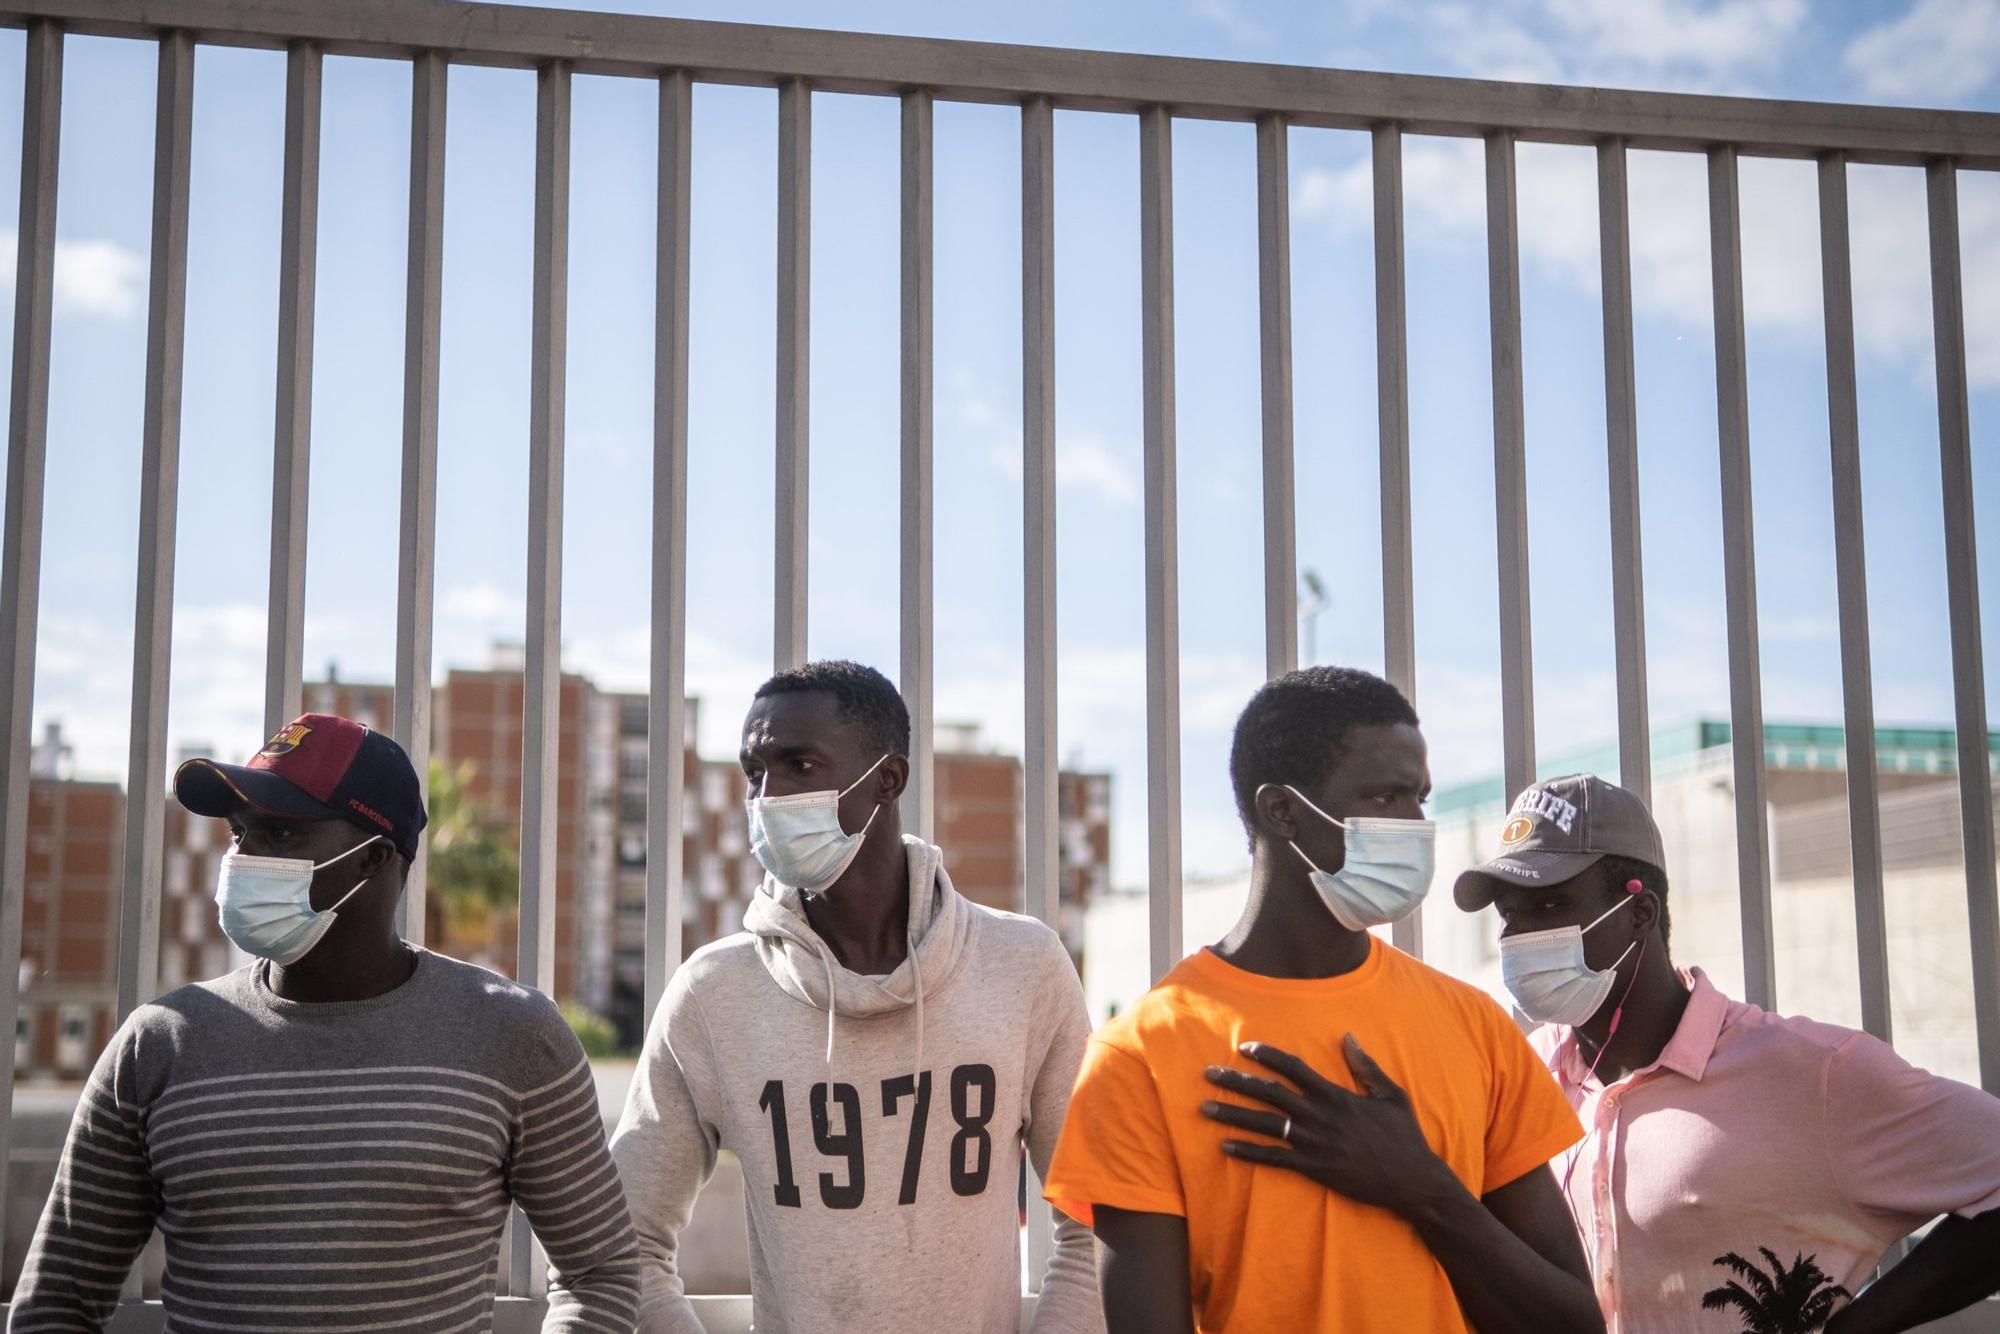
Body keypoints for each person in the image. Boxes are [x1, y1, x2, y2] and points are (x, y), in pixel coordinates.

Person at [9, 712, 641, 1333]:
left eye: (281, 835)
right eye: (238, 833)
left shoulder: (510, 1033)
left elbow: (600, 1272)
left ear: (376, 858)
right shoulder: (161, 1041)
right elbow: (59, 1298)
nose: (243, 858)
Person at [1043, 666, 1602, 1333]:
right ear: (1283, 810)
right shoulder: (1140, 1057)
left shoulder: (1474, 1025)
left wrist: (1423, 1189)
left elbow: (1574, 1324)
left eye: (1420, 798)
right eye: (1388, 798)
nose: (1418, 825)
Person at [610, 660, 1101, 1333]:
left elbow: (1098, 1221)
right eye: (756, 772)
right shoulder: (713, 993)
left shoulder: (1024, 967)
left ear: (887, 780)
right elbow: (621, 1243)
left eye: (800, 766)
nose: (767, 797)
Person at [1454, 772, 2000, 1334]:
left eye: (1548, 904)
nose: (1517, 937)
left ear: (1639, 913)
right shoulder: (1521, 1076)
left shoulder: (1813, 1074)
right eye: (1509, 914)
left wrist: (1867, 1322)